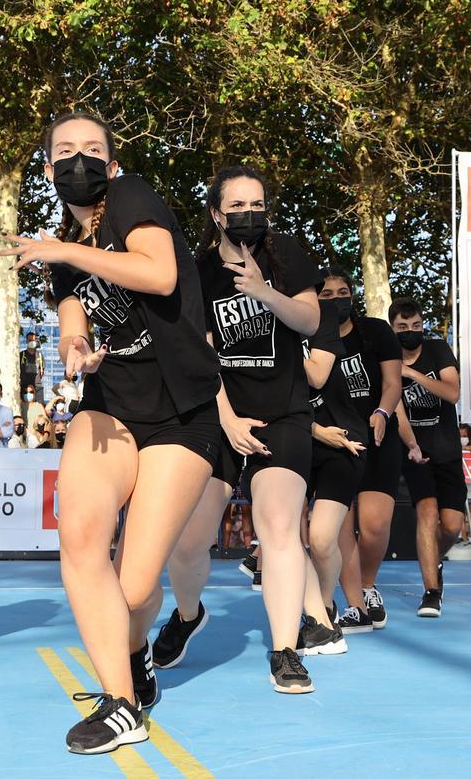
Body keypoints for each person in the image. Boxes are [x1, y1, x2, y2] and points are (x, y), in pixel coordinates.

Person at [0, 112, 220, 755]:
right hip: (109, 407)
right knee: (80, 538)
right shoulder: (63, 259)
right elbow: (74, 324)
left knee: (132, 588)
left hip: (182, 414)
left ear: (112, 165)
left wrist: (65, 248)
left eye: (93, 149)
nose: (80, 158)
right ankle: (121, 703)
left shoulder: (131, 197)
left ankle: (135, 655)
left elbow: (160, 274)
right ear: (47, 170)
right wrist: (77, 350)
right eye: (65, 151)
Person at [150, 165, 332, 691]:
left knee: (279, 527)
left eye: (258, 205)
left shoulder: (288, 256)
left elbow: (310, 320)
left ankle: (285, 650)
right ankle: (187, 616)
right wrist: (226, 418)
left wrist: (262, 290)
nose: (249, 215)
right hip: (217, 416)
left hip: (285, 416)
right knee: (187, 543)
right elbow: (201, 352)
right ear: (216, 213)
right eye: (238, 206)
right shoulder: (199, 271)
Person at [320, 268, 403, 631]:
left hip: (379, 436)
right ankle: (354, 605)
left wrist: (383, 412)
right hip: (335, 441)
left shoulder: (376, 332)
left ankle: (368, 585)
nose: (336, 299)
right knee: (340, 527)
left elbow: (393, 382)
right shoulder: (307, 337)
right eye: (326, 294)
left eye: (343, 292)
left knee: (373, 526)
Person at [390, 297, 463, 619]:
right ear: (393, 328)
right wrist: (411, 444)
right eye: (403, 327)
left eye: (416, 326)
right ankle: (431, 592)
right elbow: (398, 409)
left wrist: (414, 375)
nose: (410, 332)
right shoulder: (388, 359)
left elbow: (452, 392)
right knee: (427, 513)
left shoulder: (437, 351)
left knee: (451, 526)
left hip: (447, 449)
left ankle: (433, 559)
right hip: (414, 451)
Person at [304, 299, 370, 635]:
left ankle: (324, 610)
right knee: (284, 535)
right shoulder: (260, 341)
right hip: (300, 442)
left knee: (321, 537)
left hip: (344, 444)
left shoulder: (323, 325)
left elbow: (316, 377)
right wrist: (315, 431)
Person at [20, 331, 45, 401]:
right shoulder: (21, 355)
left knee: (39, 406)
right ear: (26, 341)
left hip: (37, 386)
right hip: (24, 386)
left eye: (34, 340)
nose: (32, 342)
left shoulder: (40, 355)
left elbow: (42, 370)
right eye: (30, 340)